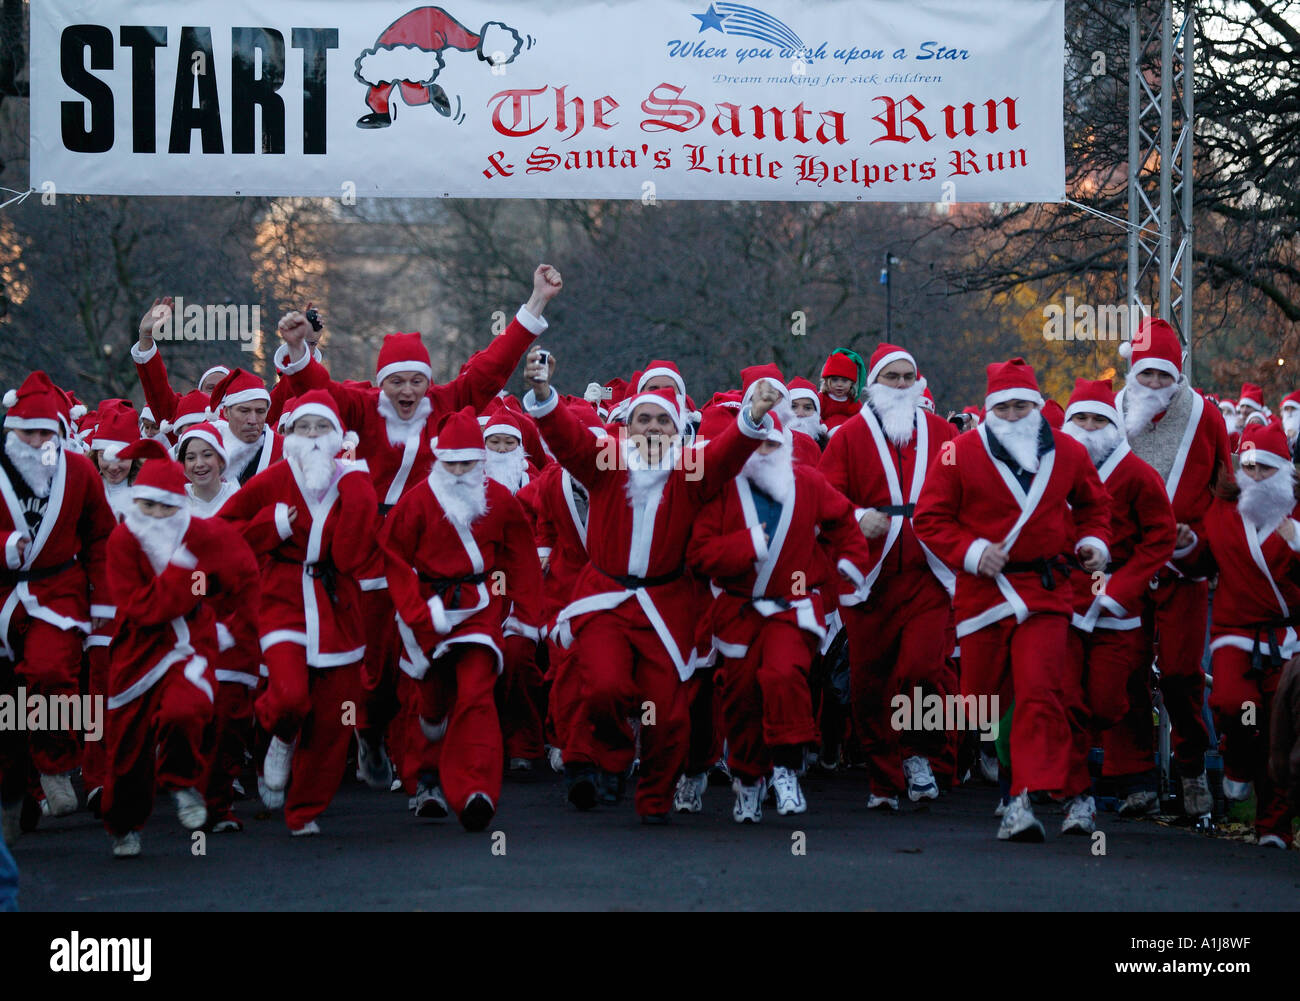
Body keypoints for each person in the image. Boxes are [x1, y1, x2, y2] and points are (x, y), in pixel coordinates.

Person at [274, 265, 562, 798]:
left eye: (416, 380)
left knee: (426, 660)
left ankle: (424, 769)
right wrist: (297, 353)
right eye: (396, 381)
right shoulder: (362, 407)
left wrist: (535, 303)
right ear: (381, 383)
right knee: (375, 666)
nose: (407, 390)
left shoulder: (446, 404)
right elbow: (320, 392)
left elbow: (492, 368)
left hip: (425, 550)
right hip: (368, 548)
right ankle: (369, 732)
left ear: (429, 382)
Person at [522, 348, 781, 822]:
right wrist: (543, 393)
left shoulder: (691, 471)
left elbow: (727, 455)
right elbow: (565, 437)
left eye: (663, 421)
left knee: (669, 715)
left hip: (667, 606)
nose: (653, 428)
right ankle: (614, 759)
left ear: (678, 429)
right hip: (605, 600)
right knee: (602, 686)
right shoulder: (604, 465)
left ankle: (655, 798)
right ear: (627, 427)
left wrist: (754, 415)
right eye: (643, 420)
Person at [914, 358, 1111, 842]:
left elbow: (1094, 504)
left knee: (1041, 691)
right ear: (989, 410)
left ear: (1038, 406)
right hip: (983, 595)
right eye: (1003, 407)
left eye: (1023, 404)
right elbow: (929, 518)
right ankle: (1040, 787)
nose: (1014, 414)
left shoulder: (1067, 451)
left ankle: (1022, 798)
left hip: (1045, 590)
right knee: (983, 700)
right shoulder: (958, 453)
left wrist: (1093, 542)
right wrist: (973, 552)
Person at [687, 415, 873, 821]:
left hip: (792, 605)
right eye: (755, 445)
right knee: (739, 697)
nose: (762, 452)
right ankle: (749, 780)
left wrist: (850, 565)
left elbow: (843, 521)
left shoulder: (806, 483)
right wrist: (747, 544)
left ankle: (787, 767)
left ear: (785, 446)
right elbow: (700, 554)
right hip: (738, 611)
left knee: (783, 674)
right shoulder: (723, 490)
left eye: (771, 445)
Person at [215, 390, 381, 835]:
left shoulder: (352, 480)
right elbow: (225, 532)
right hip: (282, 597)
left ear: (337, 436)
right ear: (288, 435)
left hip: (337, 604)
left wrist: (361, 494)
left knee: (334, 719)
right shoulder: (272, 479)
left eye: (321, 427)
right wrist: (273, 526)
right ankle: (282, 735)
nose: (311, 436)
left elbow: (350, 556)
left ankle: (304, 810)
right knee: (289, 694)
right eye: (303, 427)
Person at [382, 407, 544, 830]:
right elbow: (394, 559)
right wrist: (415, 611)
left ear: (481, 461)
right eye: (450, 462)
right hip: (428, 607)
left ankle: (475, 790)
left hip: (479, 604)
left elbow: (521, 558)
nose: (457, 471)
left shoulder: (501, 500)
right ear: (437, 460)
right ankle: (426, 779)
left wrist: (527, 613)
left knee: (476, 693)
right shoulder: (417, 501)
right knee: (430, 701)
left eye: (467, 462)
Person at [819, 344, 959, 808]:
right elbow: (824, 497)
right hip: (868, 580)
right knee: (870, 680)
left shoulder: (943, 435)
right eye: (891, 377)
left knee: (923, 669)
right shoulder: (848, 437)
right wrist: (858, 517)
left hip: (926, 576)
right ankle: (883, 777)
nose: (901, 385)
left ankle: (918, 752)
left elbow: (968, 494)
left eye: (908, 377)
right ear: (874, 385)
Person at [1112, 319, 1230, 817]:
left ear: (1177, 373)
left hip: (1186, 565)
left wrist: (1199, 539)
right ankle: (1134, 774)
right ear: (1133, 372)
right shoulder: (1112, 413)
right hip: (1127, 561)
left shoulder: (1206, 415)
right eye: (1147, 375)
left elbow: (1226, 490)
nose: (1155, 385)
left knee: (1182, 672)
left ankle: (1191, 766)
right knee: (1125, 671)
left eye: (1164, 376)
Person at [99, 440, 232, 857]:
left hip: (190, 645)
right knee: (128, 749)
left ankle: (183, 781)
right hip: (136, 652)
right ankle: (124, 824)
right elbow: (139, 607)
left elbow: (225, 579)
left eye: (167, 507)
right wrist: (183, 580)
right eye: (148, 507)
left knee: (187, 710)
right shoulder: (122, 541)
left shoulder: (200, 537)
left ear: (182, 507)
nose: (157, 516)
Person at [1058, 377, 1176, 835]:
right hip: (1064, 599)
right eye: (1080, 418)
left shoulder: (1138, 475)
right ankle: (1074, 790)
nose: (1088, 427)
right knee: (1065, 694)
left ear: (1114, 424)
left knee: (1108, 701)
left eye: (1098, 419)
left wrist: (1123, 586)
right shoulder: (1052, 468)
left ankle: (1098, 775)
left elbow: (1160, 537)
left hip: (1118, 605)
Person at [0, 372, 115, 837]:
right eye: (28, 432)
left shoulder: (81, 471)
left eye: (47, 432)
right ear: (12, 430)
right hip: (4, 593)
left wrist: (102, 604)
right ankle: (21, 791)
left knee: (52, 675)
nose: (37, 440)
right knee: (9, 699)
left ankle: (56, 764)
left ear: (61, 434)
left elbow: (101, 537)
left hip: (58, 593)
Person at [1183, 425, 1300, 848]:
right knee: (1235, 703)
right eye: (1247, 466)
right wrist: (1184, 546)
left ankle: (1274, 827)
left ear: (1284, 470)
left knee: (1277, 730)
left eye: (1265, 468)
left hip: (1288, 637)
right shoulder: (1221, 511)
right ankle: (1236, 762)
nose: (1254, 475)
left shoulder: (1298, 514)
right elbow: (1200, 564)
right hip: (1235, 632)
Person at [132, 297, 231, 424]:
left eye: (224, 389)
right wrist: (145, 336)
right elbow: (157, 390)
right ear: (200, 392)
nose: (218, 394)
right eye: (211, 388)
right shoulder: (182, 419)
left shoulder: (250, 427)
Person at [208, 369, 283, 486]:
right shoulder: (207, 445)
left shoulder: (282, 449)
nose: (252, 420)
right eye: (244, 411)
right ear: (227, 411)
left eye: (260, 411)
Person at [176, 422, 239, 517]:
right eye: (191, 458)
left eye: (207, 455)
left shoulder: (236, 497)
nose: (199, 464)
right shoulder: (177, 500)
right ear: (183, 464)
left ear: (221, 459)